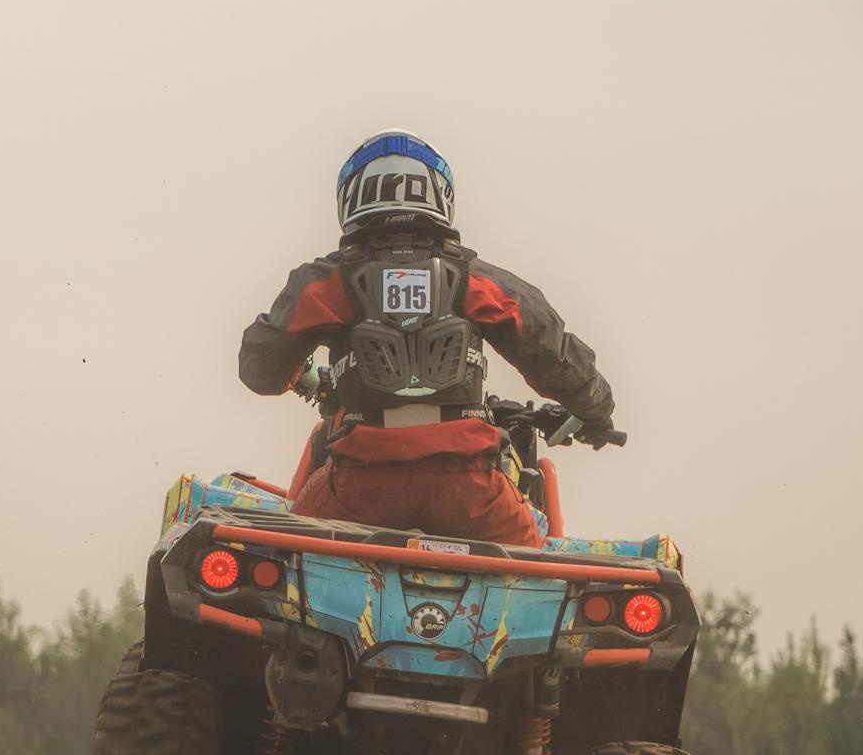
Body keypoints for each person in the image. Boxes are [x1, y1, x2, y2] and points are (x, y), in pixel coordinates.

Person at [240, 130, 616, 547]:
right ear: (438, 195)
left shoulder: (327, 283)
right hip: (474, 492)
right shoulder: (477, 281)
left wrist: (293, 371)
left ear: (353, 196)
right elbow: (552, 347)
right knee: (541, 569)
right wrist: (595, 408)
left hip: (357, 489)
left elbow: (260, 370)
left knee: (289, 560)